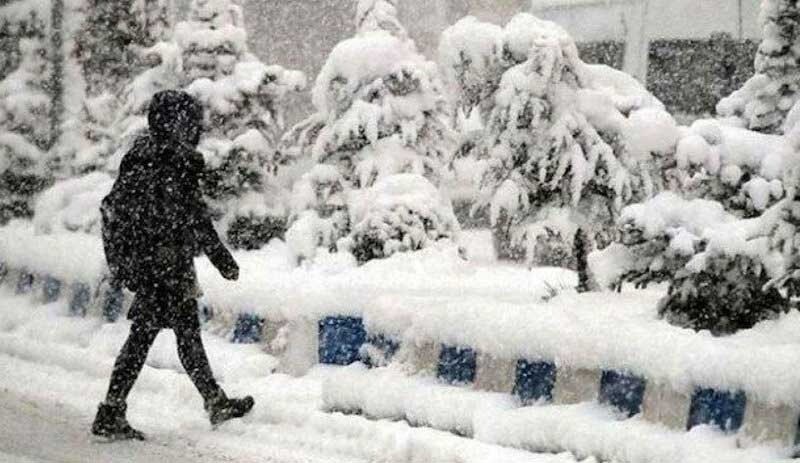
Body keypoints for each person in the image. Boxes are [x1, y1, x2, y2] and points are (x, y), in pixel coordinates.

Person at [92, 90, 254, 441]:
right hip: (163, 267)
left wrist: (135, 261)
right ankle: (111, 410)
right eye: (190, 121)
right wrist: (221, 258)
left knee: (181, 335)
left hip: (155, 264)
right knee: (149, 338)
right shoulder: (170, 162)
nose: (195, 128)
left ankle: (212, 401)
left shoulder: (144, 157)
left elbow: (147, 212)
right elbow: (193, 216)